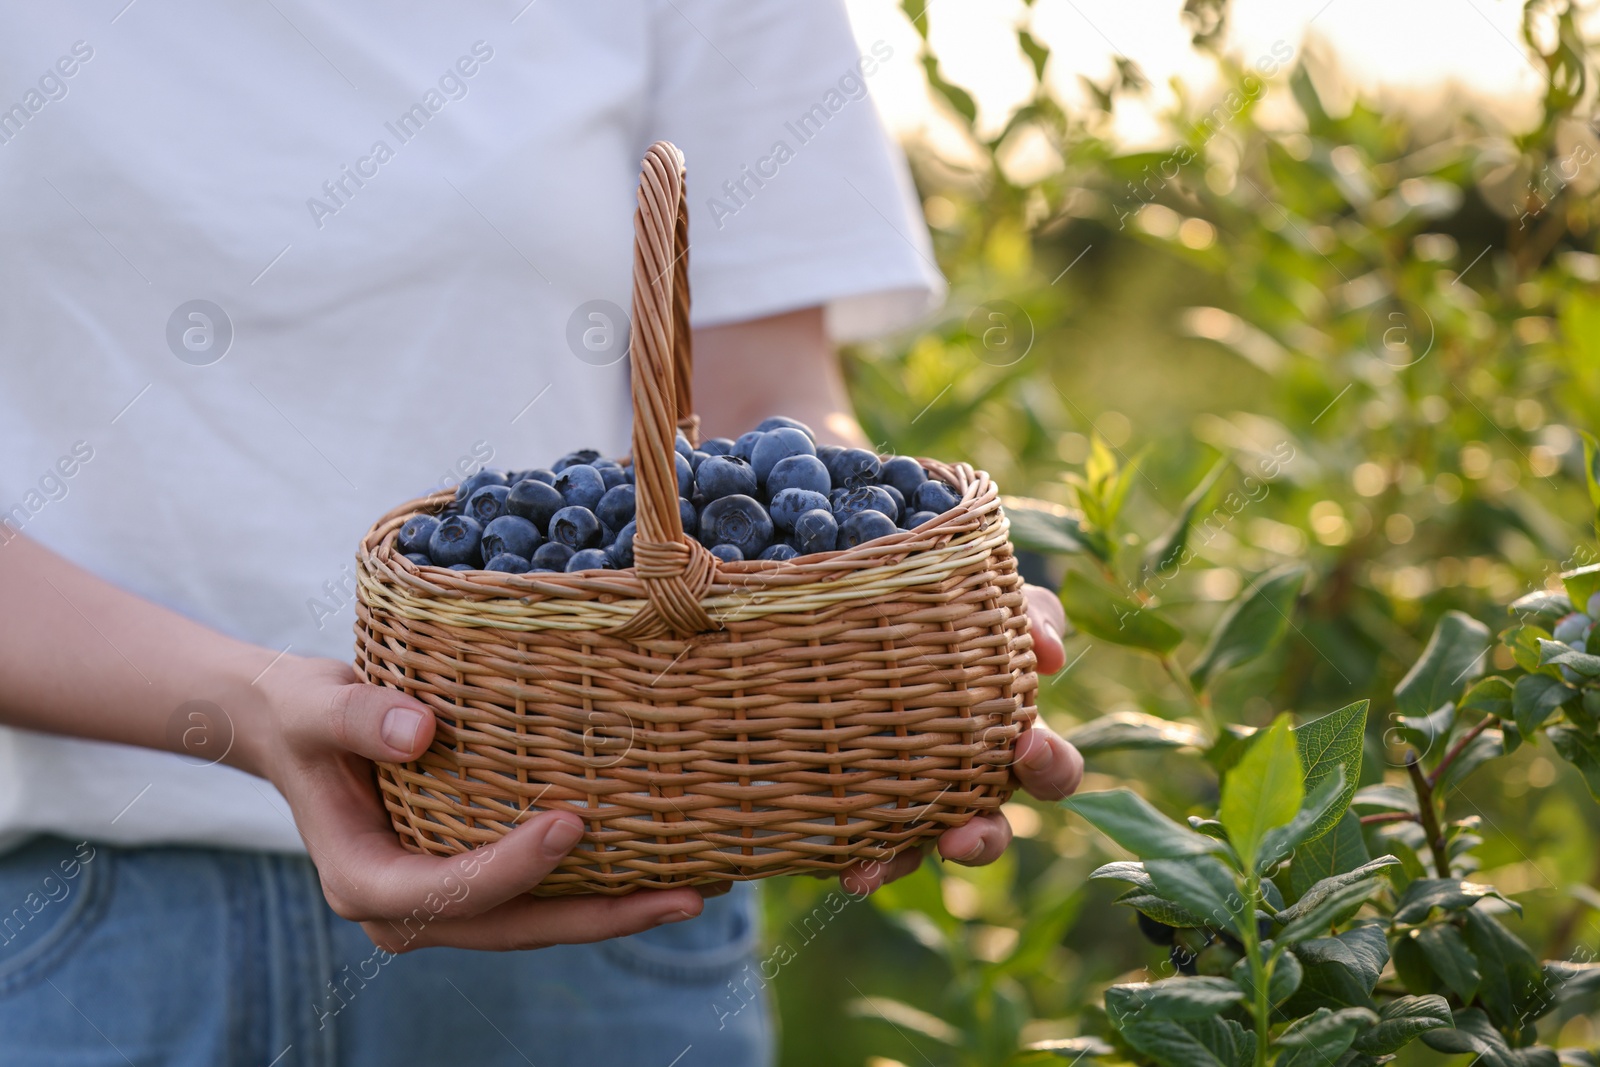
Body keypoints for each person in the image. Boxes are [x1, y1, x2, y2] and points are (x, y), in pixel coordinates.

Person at [0, 3, 1083, 1064]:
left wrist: (874, 620)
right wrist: (250, 708)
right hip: (74, 921)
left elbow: (767, 415)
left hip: (602, 874)